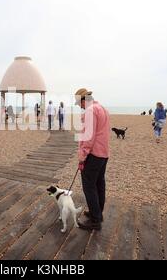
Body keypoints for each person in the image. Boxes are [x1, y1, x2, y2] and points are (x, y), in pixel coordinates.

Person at [74, 88, 110, 231]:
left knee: (89, 187)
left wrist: (82, 157)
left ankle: (95, 221)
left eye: (79, 104)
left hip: (93, 154)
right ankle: (97, 214)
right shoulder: (102, 108)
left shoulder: (90, 111)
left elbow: (88, 137)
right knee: (99, 184)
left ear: (84, 100)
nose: (80, 107)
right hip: (103, 154)